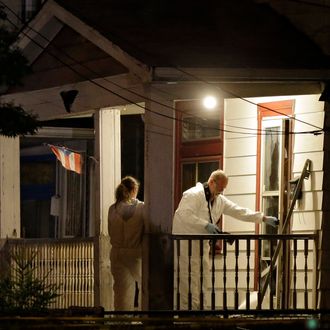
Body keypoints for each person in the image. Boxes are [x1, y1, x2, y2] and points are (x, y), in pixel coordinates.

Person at [172, 169, 278, 310]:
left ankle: (201, 311)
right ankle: (187, 313)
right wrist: (206, 225)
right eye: (219, 189)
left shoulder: (219, 200)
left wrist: (263, 218)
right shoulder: (193, 195)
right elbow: (184, 215)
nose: (219, 193)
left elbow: (238, 211)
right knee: (188, 278)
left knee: (203, 277)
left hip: (202, 244)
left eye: (222, 190)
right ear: (211, 182)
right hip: (186, 244)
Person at [108, 176, 145, 311]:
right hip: (134, 253)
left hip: (116, 252)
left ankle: (121, 321)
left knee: (121, 290)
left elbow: (110, 231)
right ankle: (145, 316)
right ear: (134, 190)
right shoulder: (141, 207)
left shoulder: (112, 209)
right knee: (145, 286)